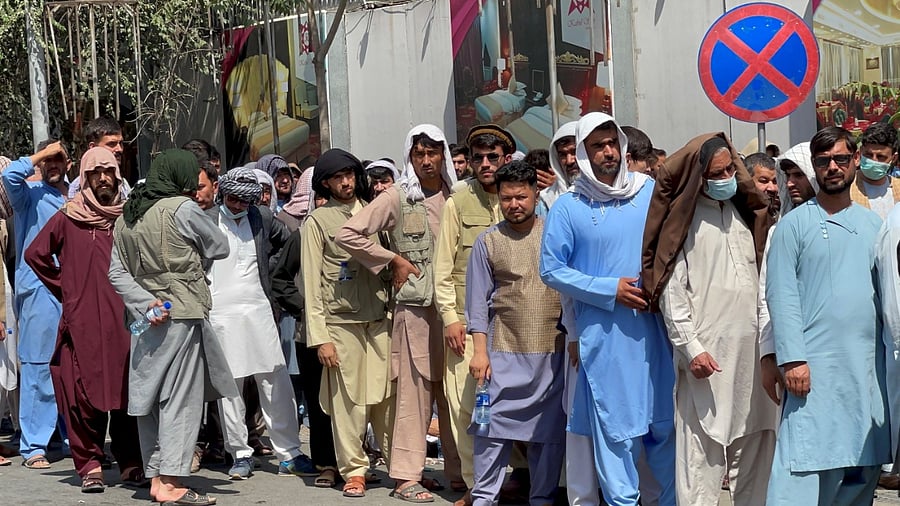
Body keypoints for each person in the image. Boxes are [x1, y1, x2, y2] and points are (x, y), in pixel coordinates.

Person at [541, 113, 676, 505]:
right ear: (583, 154)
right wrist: (608, 289)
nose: (608, 152)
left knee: (663, 432)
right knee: (617, 435)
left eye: (612, 143)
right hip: (606, 338)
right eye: (597, 146)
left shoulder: (647, 191)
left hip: (656, 333)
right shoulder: (569, 207)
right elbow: (551, 269)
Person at [642, 133, 777, 506]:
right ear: (699, 177)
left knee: (757, 449)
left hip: (753, 355)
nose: (725, 179)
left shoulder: (745, 215)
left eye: (730, 170)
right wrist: (691, 349)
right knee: (701, 461)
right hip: (708, 360)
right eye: (716, 174)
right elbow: (673, 293)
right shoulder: (682, 225)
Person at [336, 125, 464, 502]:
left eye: (433, 153)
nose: (427, 161)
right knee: (414, 392)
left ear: (443, 155)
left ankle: (460, 471)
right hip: (415, 308)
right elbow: (350, 234)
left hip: (453, 308)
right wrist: (391, 259)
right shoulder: (397, 196)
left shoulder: (457, 196)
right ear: (410, 157)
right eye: (419, 154)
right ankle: (406, 476)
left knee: (454, 392)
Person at [766, 127, 890, 503]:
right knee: (801, 466)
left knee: (860, 465)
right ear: (815, 168)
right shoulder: (793, 226)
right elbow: (781, 295)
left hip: (867, 370)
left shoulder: (875, 227)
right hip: (812, 371)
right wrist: (792, 359)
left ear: (855, 161)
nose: (832, 167)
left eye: (840, 159)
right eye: (823, 162)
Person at [108, 149, 237, 506]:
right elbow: (220, 246)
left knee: (148, 396)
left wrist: (144, 301)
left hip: (144, 317)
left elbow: (116, 273)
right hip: (181, 309)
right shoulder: (182, 209)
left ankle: (155, 475)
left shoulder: (125, 217)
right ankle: (170, 481)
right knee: (180, 396)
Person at [24, 147, 143, 492]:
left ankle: (130, 461)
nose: (104, 179)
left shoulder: (128, 216)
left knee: (127, 388)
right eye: (96, 173)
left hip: (126, 320)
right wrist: (66, 288)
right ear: (86, 178)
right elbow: (36, 254)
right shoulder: (70, 216)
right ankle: (89, 464)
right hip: (82, 320)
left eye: (109, 172)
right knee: (80, 393)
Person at [206, 167, 314, 480]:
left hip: (259, 310)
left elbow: (289, 245)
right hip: (221, 315)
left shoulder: (262, 218)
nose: (239, 205)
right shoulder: (208, 219)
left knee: (275, 380)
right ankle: (239, 454)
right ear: (223, 194)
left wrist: (273, 273)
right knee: (231, 387)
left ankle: (289, 453)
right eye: (233, 199)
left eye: (245, 201)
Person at [467, 160, 565, 505]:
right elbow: (477, 303)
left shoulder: (556, 234)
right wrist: (480, 352)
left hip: (553, 350)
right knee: (490, 430)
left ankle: (542, 498)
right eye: (507, 198)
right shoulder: (488, 242)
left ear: (536, 195)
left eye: (521, 197)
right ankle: (483, 498)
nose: (514, 204)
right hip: (503, 350)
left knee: (548, 435)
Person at [301, 149, 393, 499]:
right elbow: (311, 283)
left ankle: (395, 466)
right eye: (337, 177)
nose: (345, 182)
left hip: (379, 318)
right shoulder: (318, 222)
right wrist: (320, 338)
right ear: (325, 183)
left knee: (386, 398)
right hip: (340, 324)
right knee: (348, 403)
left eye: (349, 175)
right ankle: (354, 470)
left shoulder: (374, 213)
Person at [435, 124, 513, 502]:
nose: (485, 164)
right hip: (467, 326)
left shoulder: (522, 195)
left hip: (514, 326)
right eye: (478, 157)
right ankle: (476, 485)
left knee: (516, 404)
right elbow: (442, 267)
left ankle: (519, 478)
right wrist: (450, 316)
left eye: (492, 157)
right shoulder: (458, 201)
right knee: (467, 408)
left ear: (506, 158)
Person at [271, 168, 340, 489]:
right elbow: (280, 279)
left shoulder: (352, 231)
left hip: (348, 328)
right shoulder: (302, 235)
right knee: (318, 401)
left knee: (349, 400)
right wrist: (305, 308)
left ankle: (353, 462)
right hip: (310, 333)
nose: (326, 205)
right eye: (321, 198)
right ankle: (325, 463)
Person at [2, 140, 69, 469]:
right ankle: (34, 446)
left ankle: (75, 439)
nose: (53, 166)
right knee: (38, 367)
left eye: (59, 160)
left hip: (73, 291)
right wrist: (40, 155)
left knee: (74, 368)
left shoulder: (76, 197)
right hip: (38, 291)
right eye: (48, 162)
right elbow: (10, 177)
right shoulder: (29, 196)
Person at [757, 143, 818, 407]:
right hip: (793, 355)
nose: (791, 183)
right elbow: (767, 298)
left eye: (799, 175)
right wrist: (768, 355)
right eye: (788, 176)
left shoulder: (853, 224)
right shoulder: (779, 231)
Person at [69, 117, 131, 200]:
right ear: (93, 147)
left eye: (121, 143)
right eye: (111, 144)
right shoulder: (78, 188)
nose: (119, 149)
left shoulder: (124, 185)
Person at [849, 122, 900, 219]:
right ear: (860, 152)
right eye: (868, 155)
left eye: (881, 157)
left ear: (894, 158)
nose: (874, 160)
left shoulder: (898, 188)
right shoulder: (847, 190)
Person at [744, 152, 780, 219]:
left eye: (775, 181)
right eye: (763, 181)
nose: (772, 188)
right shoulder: (736, 214)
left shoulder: (780, 217)